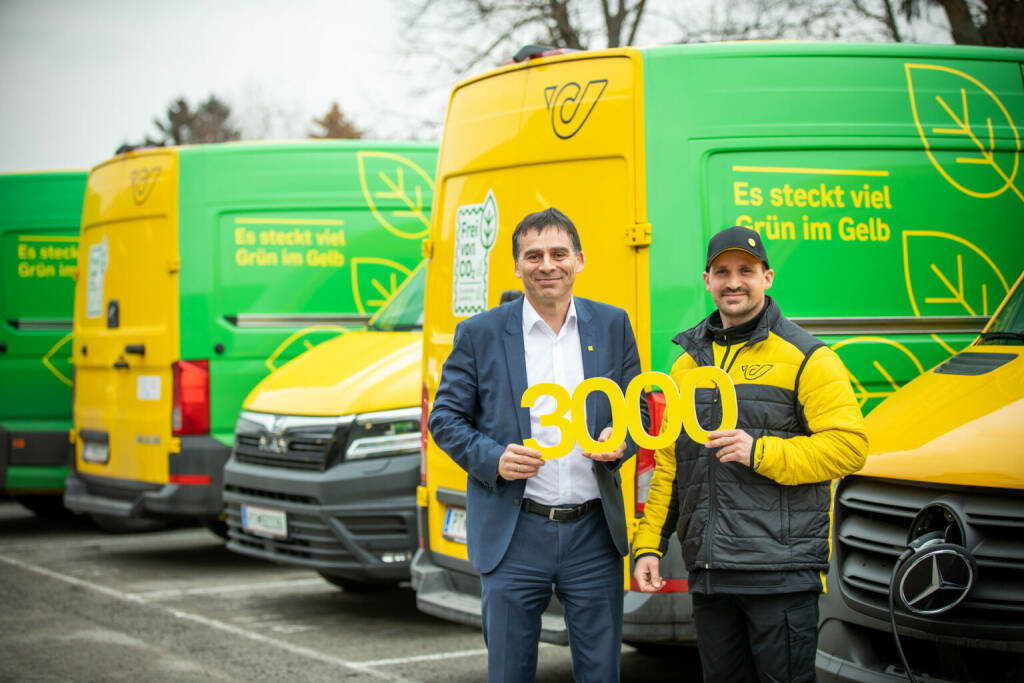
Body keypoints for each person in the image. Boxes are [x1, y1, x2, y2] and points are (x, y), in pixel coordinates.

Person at [632, 225, 867, 682]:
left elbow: (848, 448)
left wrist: (758, 451)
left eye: (746, 270)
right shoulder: (685, 365)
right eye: (722, 272)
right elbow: (671, 467)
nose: (734, 281)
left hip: (780, 573)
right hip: (711, 574)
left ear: (767, 278)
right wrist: (649, 546)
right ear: (707, 281)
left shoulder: (808, 357)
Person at [429, 207, 646, 682]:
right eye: (534, 256)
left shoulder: (613, 325)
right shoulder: (480, 333)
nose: (547, 265)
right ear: (517, 266)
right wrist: (494, 459)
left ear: (579, 260)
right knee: (510, 672)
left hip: (593, 535)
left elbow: (639, 410)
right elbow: (443, 419)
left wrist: (621, 439)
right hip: (515, 533)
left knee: (601, 674)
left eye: (558, 253)